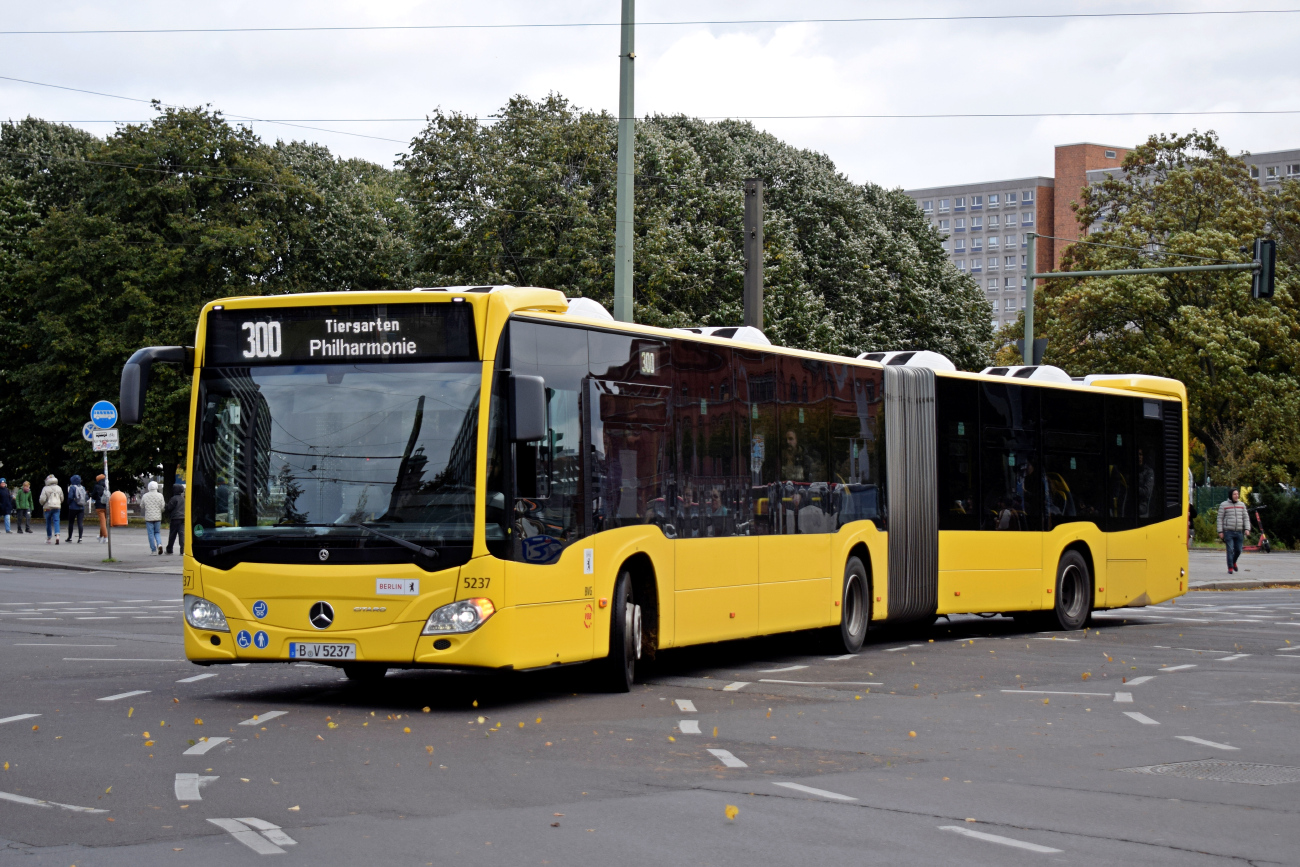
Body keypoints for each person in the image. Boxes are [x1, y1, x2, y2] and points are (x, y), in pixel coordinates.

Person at [1217, 488, 1251, 575]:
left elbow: (1246, 518)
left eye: (1237, 494)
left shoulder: (1242, 505)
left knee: (1239, 550)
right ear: (1231, 495)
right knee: (1230, 550)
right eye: (1234, 494)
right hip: (1228, 532)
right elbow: (1219, 519)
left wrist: (1247, 529)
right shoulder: (1224, 505)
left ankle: (1234, 561)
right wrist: (1220, 531)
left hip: (1239, 531)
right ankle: (1230, 567)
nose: (1236, 496)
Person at [141, 481, 166, 555]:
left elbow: (142, 505)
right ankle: (159, 544)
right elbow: (162, 507)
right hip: (158, 517)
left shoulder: (145, 496)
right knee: (157, 532)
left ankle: (153, 550)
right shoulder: (160, 495)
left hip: (149, 518)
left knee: (150, 534)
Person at [39, 475, 63, 544]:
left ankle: (49, 538)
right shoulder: (59, 488)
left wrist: (42, 503)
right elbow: (62, 498)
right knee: (56, 521)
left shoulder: (45, 488)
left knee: (48, 522)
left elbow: (42, 499)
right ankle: (57, 535)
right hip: (57, 507)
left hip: (47, 508)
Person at [65, 474, 87, 543]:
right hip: (81, 507)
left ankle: (70, 537)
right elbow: (86, 497)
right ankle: (80, 538)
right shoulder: (83, 487)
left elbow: (70, 497)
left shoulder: (72, 487)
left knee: (71, 522)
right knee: (80, 523)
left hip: (73, 507)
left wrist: (69, 503)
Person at [164, 484, 185, 555]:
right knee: (181, 534)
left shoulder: (174, 498)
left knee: (172, 535)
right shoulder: (183, 498)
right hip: (183, 518)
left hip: (175, 518)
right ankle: (183, 549)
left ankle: (169, 549)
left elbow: (169, 508)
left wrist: (166, 506)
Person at [92, 474, 108, 543]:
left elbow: (93, 496)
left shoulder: (97, 487)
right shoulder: (106, 487)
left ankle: (105, 537)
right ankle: (100, 536)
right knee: (103, 521)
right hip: (106, 506)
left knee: (102, 522)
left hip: (99, 506)